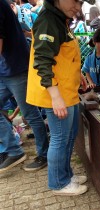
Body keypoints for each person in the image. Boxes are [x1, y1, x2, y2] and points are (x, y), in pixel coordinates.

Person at [26, 0, 88, 196]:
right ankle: (58, 183)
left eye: (81, 2)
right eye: (75, 1)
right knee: (60, 139)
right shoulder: (48, 20)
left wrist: (78, 74)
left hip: (68, 90)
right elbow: (42, 61)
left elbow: (63, 54)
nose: (78, 7)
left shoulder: (61, 18)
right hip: (57, 93)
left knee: (70, 136)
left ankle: (66, 175)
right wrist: (56, 97)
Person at [0, 0, 49, 172]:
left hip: (17, 67)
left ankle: (44, 153)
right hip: (4, 69)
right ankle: (12, 150)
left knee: (29, 113)